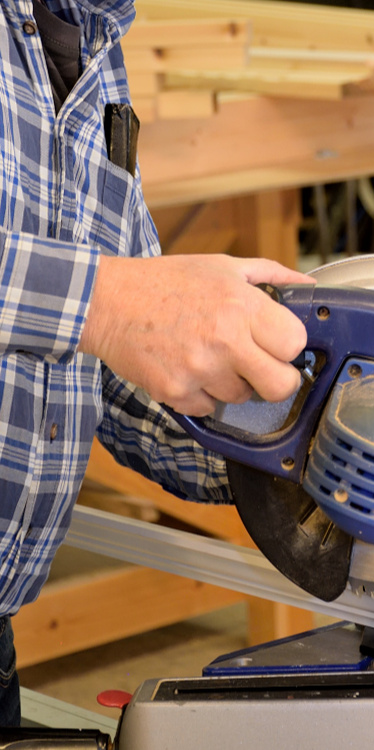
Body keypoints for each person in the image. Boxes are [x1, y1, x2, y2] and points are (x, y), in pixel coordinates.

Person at [0, 0, 313, 724]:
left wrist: (292, 444)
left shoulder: (92, 35)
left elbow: (117, 365)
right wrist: (109, 301)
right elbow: (108, 309)